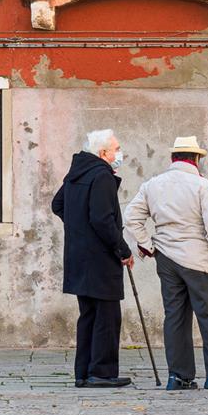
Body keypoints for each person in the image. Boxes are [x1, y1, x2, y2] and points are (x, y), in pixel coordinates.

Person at [124, 136, 208, 392]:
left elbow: (131, 217)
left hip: (167, 259)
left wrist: (148, 245)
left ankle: (179, 376)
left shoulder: (152, 185)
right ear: (197, 159)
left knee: (175, 317)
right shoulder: (203, 186)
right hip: (198, 259)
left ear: (173, 158)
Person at [52, 128, 134, 389]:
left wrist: (78, 228)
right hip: (100, 259)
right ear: (103, 153)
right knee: (107, 316)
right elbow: (102, 219)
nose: (119, 153)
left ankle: (83, 372)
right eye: (116, 148)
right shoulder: (102, 176)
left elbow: (58, 205)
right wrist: (124, 250)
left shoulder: (77, 174)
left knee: (88, 314)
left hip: (79, 257)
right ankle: (101, 372)